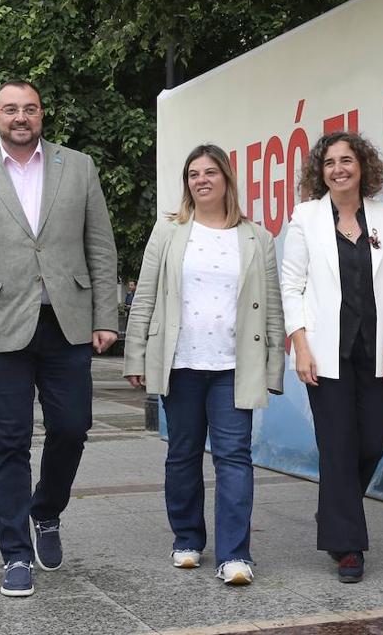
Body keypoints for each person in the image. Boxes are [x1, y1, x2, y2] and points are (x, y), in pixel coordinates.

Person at [0, 79, 119, 598]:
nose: (21, 117)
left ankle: (46, 510)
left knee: (73, 426)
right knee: (8, 442)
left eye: (30, 108)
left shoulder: (77, 167)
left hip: (67, 322)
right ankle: (15, 552)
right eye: (11, 109)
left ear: (42, 114)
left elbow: (99, 247)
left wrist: (107, 315)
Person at [123, 144, 284, 586]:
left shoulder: (257, 237)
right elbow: (146, 298)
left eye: (210, 172)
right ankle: (188, 540)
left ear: (227, 179)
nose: (201, 180)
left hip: (234, 365)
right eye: (193, 173)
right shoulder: (169, 231)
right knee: (182, 455)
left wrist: (273, 367)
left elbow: (271, 308)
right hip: (181, 363)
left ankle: (235, 554)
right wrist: (135, 354)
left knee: (234, 457)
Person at [280, 131, 383, 584]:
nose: (338, 169)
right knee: (337, 447)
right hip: (325, 353)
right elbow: (290, 284)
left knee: (371, 441)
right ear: (321, 171)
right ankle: (348, 546)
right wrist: (300, 345)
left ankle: (334, 515)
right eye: (330, 162)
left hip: (375, 349)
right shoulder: (305, 217)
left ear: (362, 167)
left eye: (347, 160)